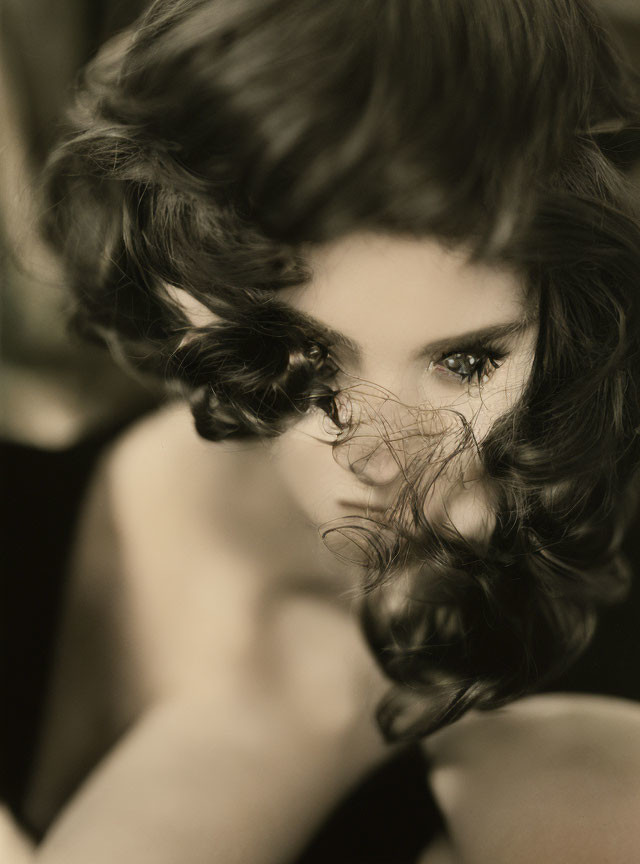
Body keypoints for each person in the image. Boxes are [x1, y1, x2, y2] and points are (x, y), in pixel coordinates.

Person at [4, 0, 640, 861]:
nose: (386, 455)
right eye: (307, 352)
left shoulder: (565, 739)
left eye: (469, 363)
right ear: (182, 282)